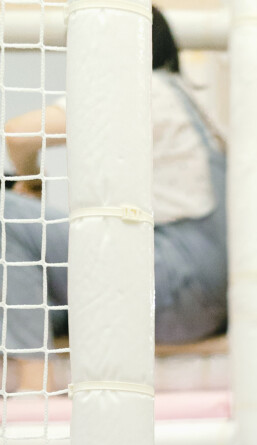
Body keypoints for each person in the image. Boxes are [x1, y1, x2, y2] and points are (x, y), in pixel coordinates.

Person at [3, 6, 227, 391]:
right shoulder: (189, 100)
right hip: (202, 299)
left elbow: (18, 134)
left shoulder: (142, 90)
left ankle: (33, 385)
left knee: (6, 213)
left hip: (172, 288)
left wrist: (29, 181)